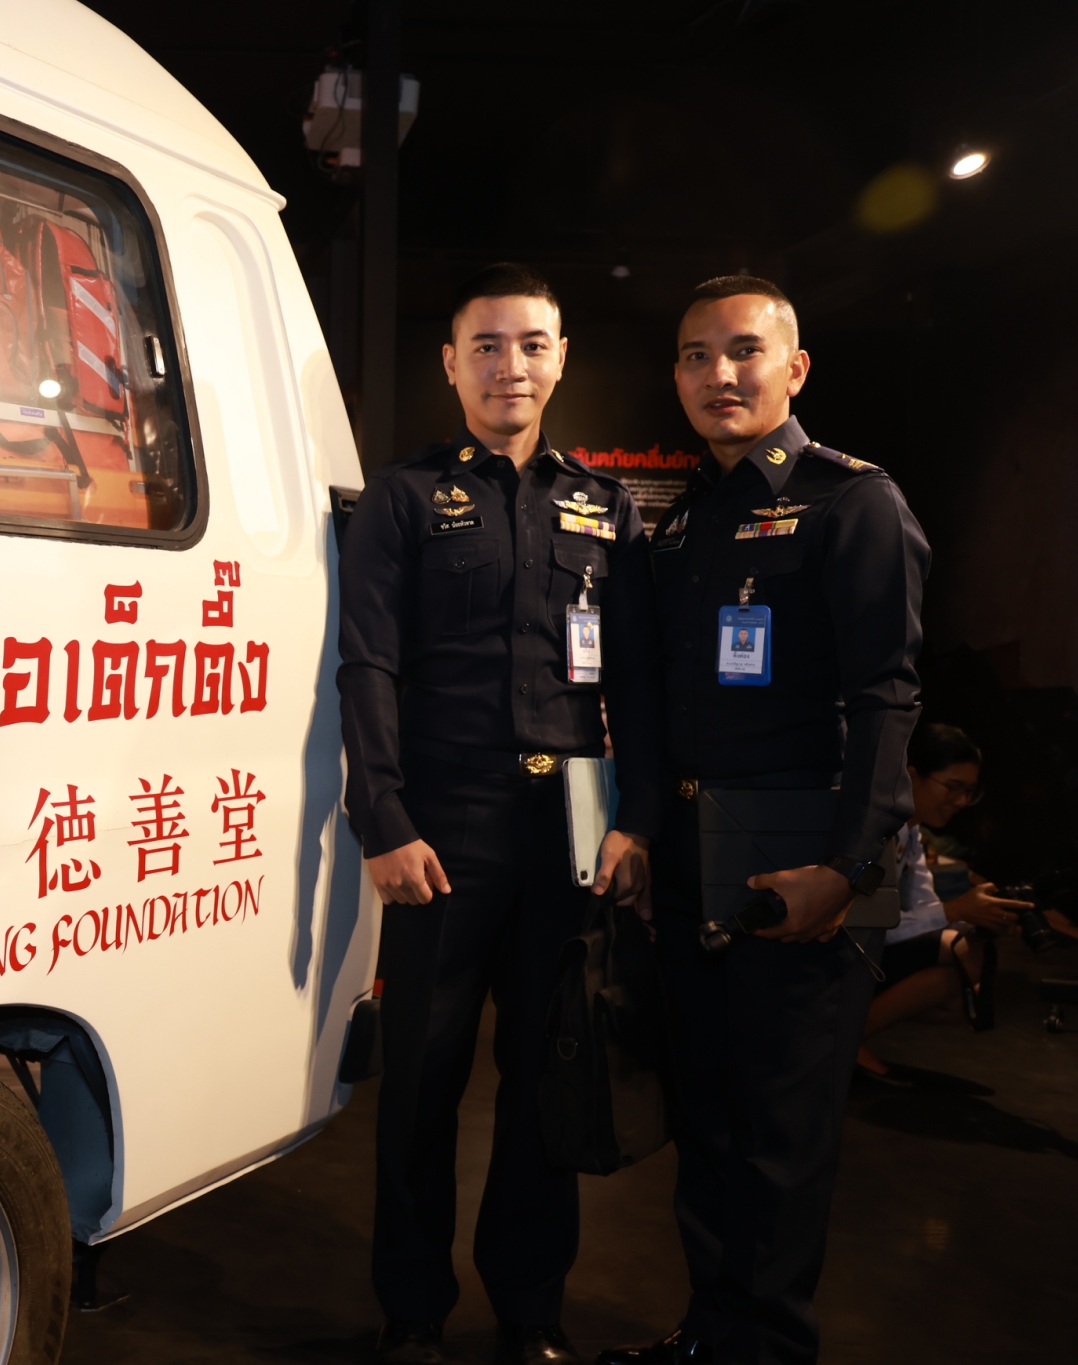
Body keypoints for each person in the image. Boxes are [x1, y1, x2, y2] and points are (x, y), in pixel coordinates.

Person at [597, 278, 929, 1365]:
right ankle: (711, 1334)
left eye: (743, 351)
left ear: (794, 367)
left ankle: (766, 1347)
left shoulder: (852, 501)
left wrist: (848, 866)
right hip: (697, 856)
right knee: (709, 1122)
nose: (719, 374)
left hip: (807, 853)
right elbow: (657, 700)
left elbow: (885, 699)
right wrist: (645, 830)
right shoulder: (685, 517)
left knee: (782, 1140)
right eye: (695, 356)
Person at [338, 263, 660, 1365]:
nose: (507, 366)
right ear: (450, 362)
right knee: (420, 1084)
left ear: (560, 358)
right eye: (485, 345)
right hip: (443, 826)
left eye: (530, 344)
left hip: (569, 826)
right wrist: (382, 817)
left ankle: (530, 1305)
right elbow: (366, 665)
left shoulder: (606, 506)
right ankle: (411, 1308)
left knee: (546, 1074)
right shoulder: (402, 499)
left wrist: (636, 820)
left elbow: (638, 681)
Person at [857, 723, 1030, 1082]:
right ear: (912, 775)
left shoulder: (912, 833)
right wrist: (955, 912)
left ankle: (847, 1036)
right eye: (953, 787)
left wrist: (982, 916)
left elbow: (925, 907)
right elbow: (865, 924)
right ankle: (843, 1044)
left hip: (870, 948)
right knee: (963, 959)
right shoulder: (874, 830)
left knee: (963, 977)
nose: (962, 801)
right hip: (841, 952)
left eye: (970, 791)